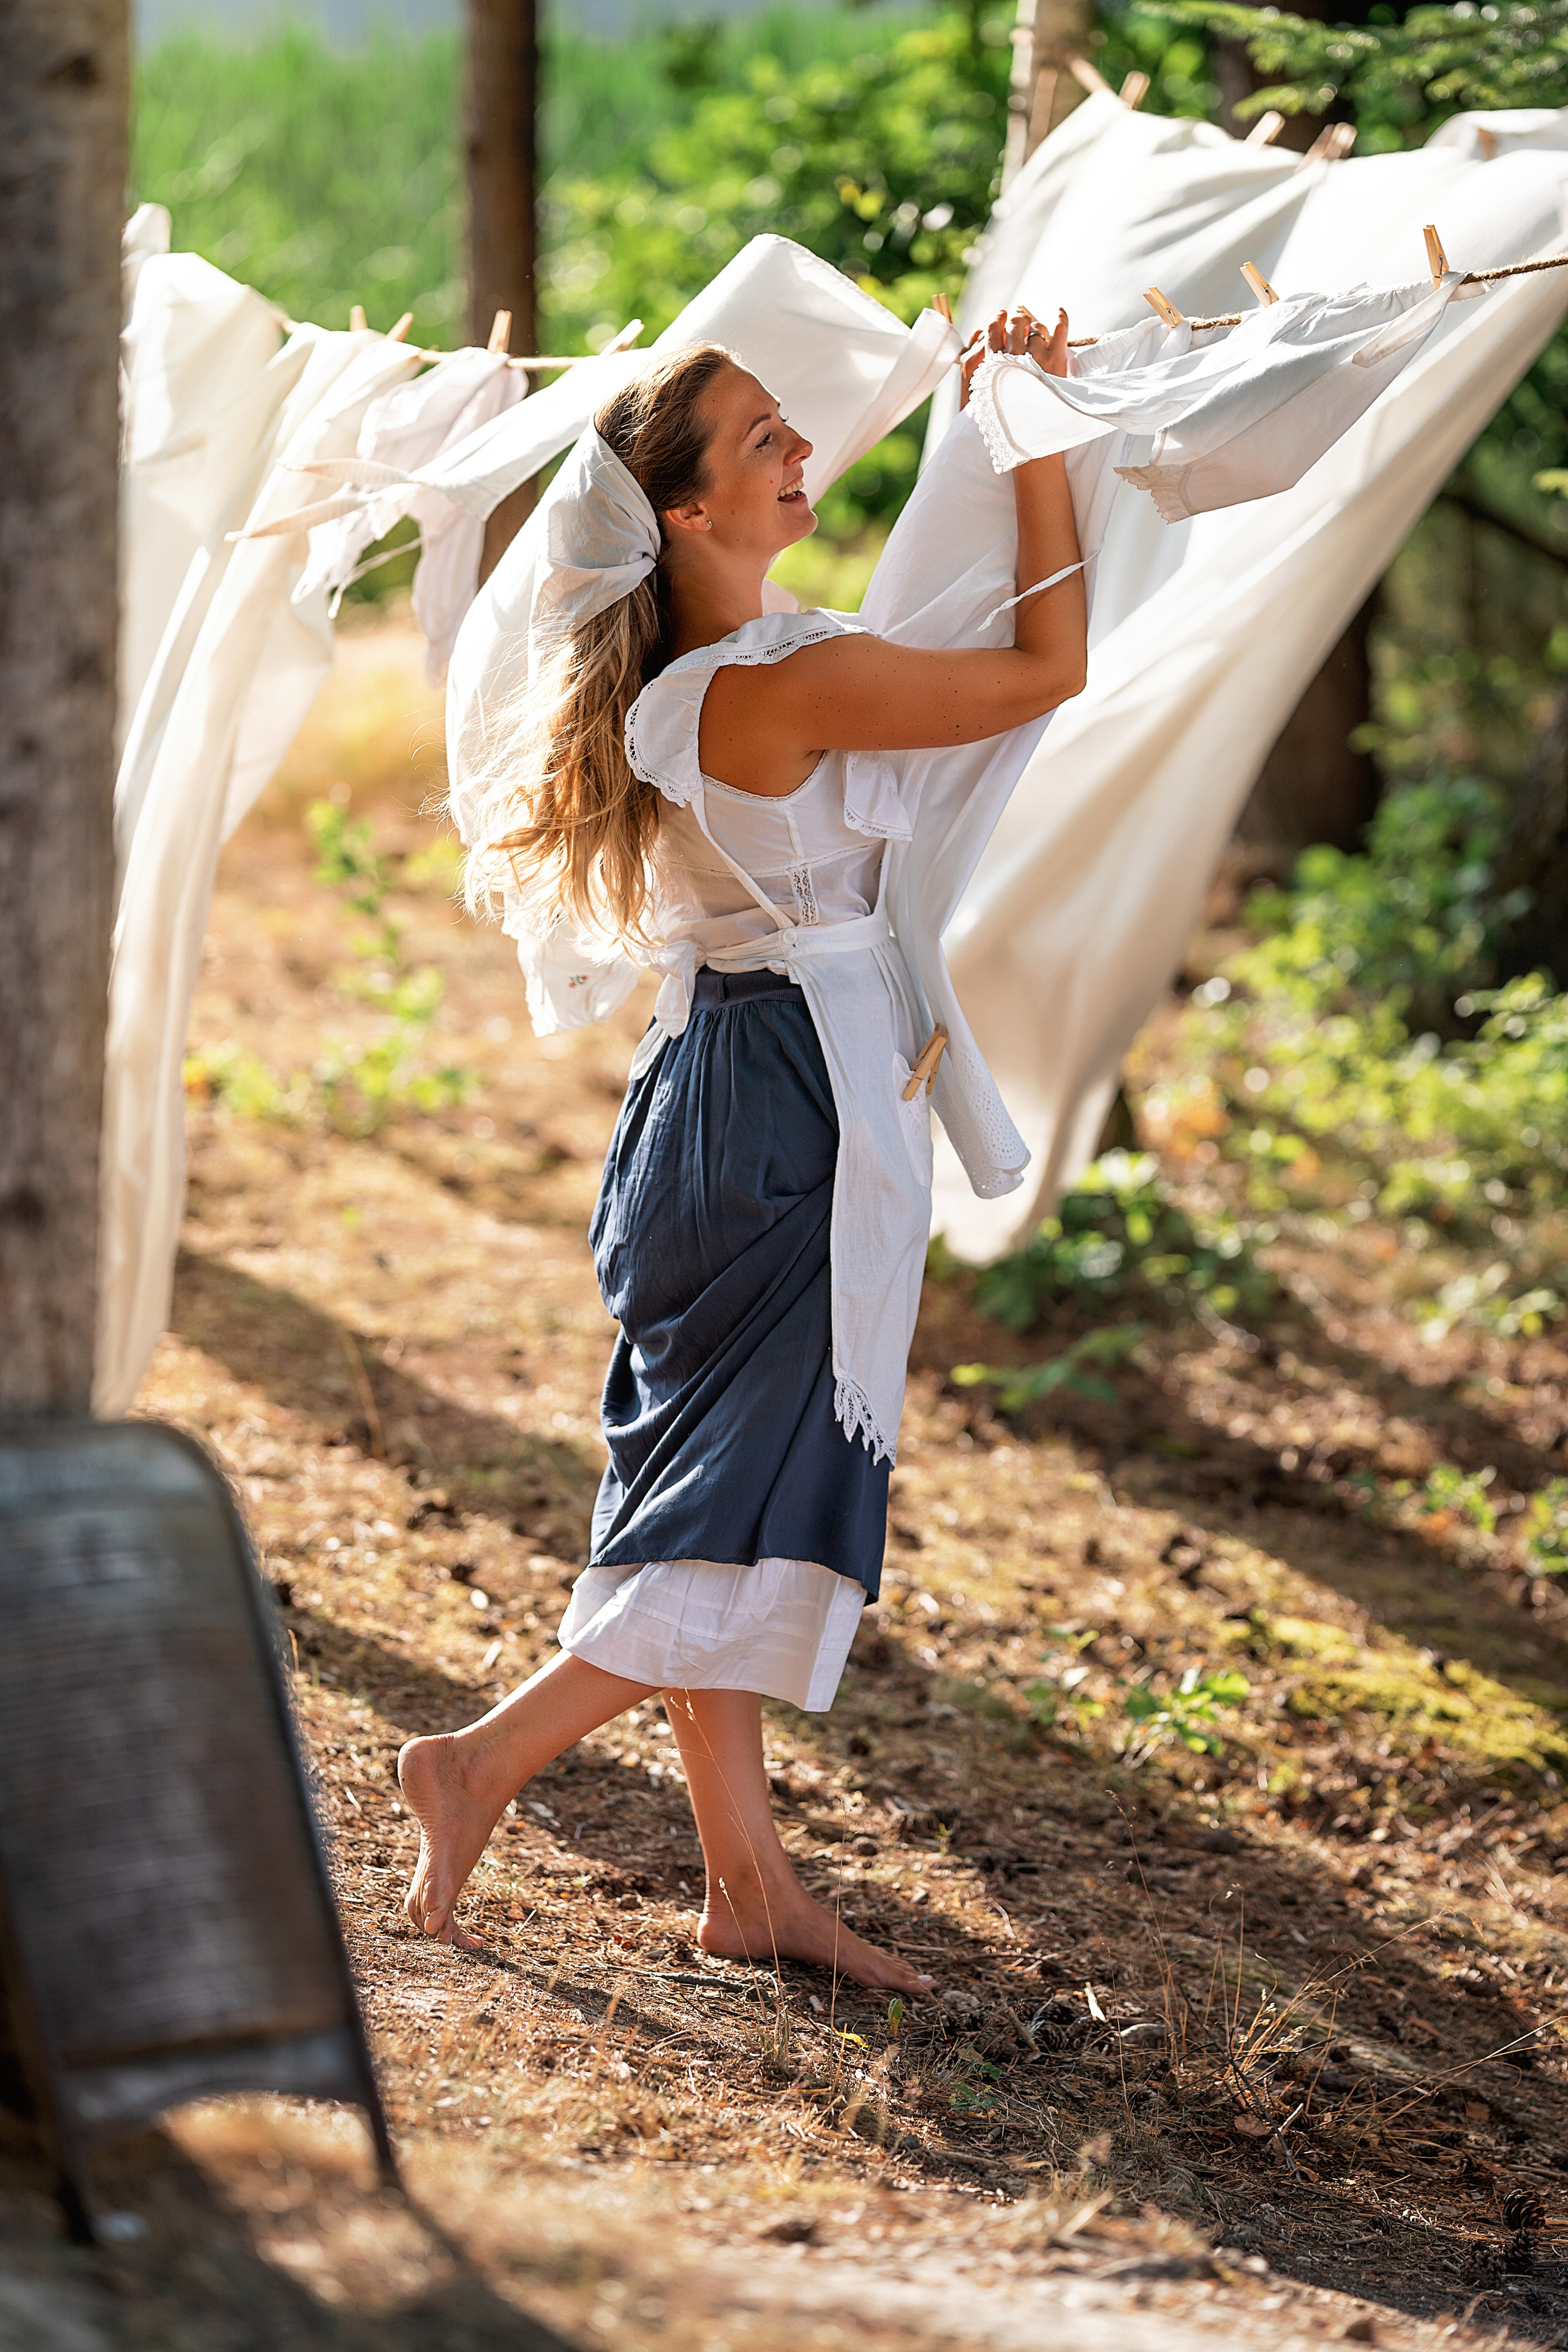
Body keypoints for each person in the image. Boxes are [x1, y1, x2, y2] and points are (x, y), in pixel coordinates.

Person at [398, 303, 1087, 1994]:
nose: (800, 453)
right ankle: (478, 1761)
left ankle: (746, 1885)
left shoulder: (684, 685)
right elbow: (1049, 670)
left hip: (715, 1087)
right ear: (688, 514)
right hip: (784, 1099)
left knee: (699, 1493)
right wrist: (1044, 446)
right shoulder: (781, 680)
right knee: (742, 1502)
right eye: (762, 440)